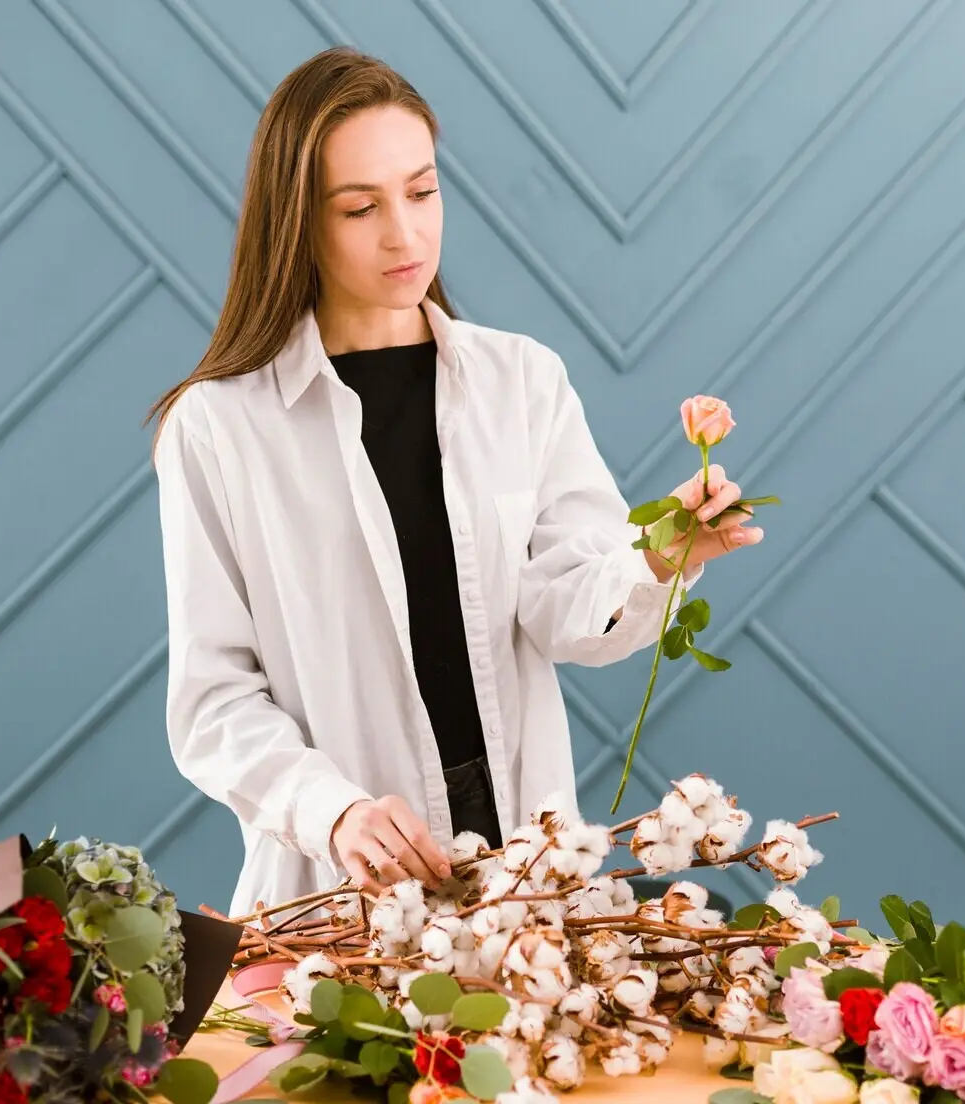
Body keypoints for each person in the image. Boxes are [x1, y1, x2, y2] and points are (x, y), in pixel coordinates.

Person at [147, 46, 764, 918]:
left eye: (422, 191)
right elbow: (214, 704)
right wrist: (336, 814)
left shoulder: (522, 382)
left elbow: (564, 613)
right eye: (360, 207)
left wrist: (660, 557)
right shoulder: (218, 428)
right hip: (343, 897)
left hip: (528, 876)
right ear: (298, 222)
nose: (404, 233)